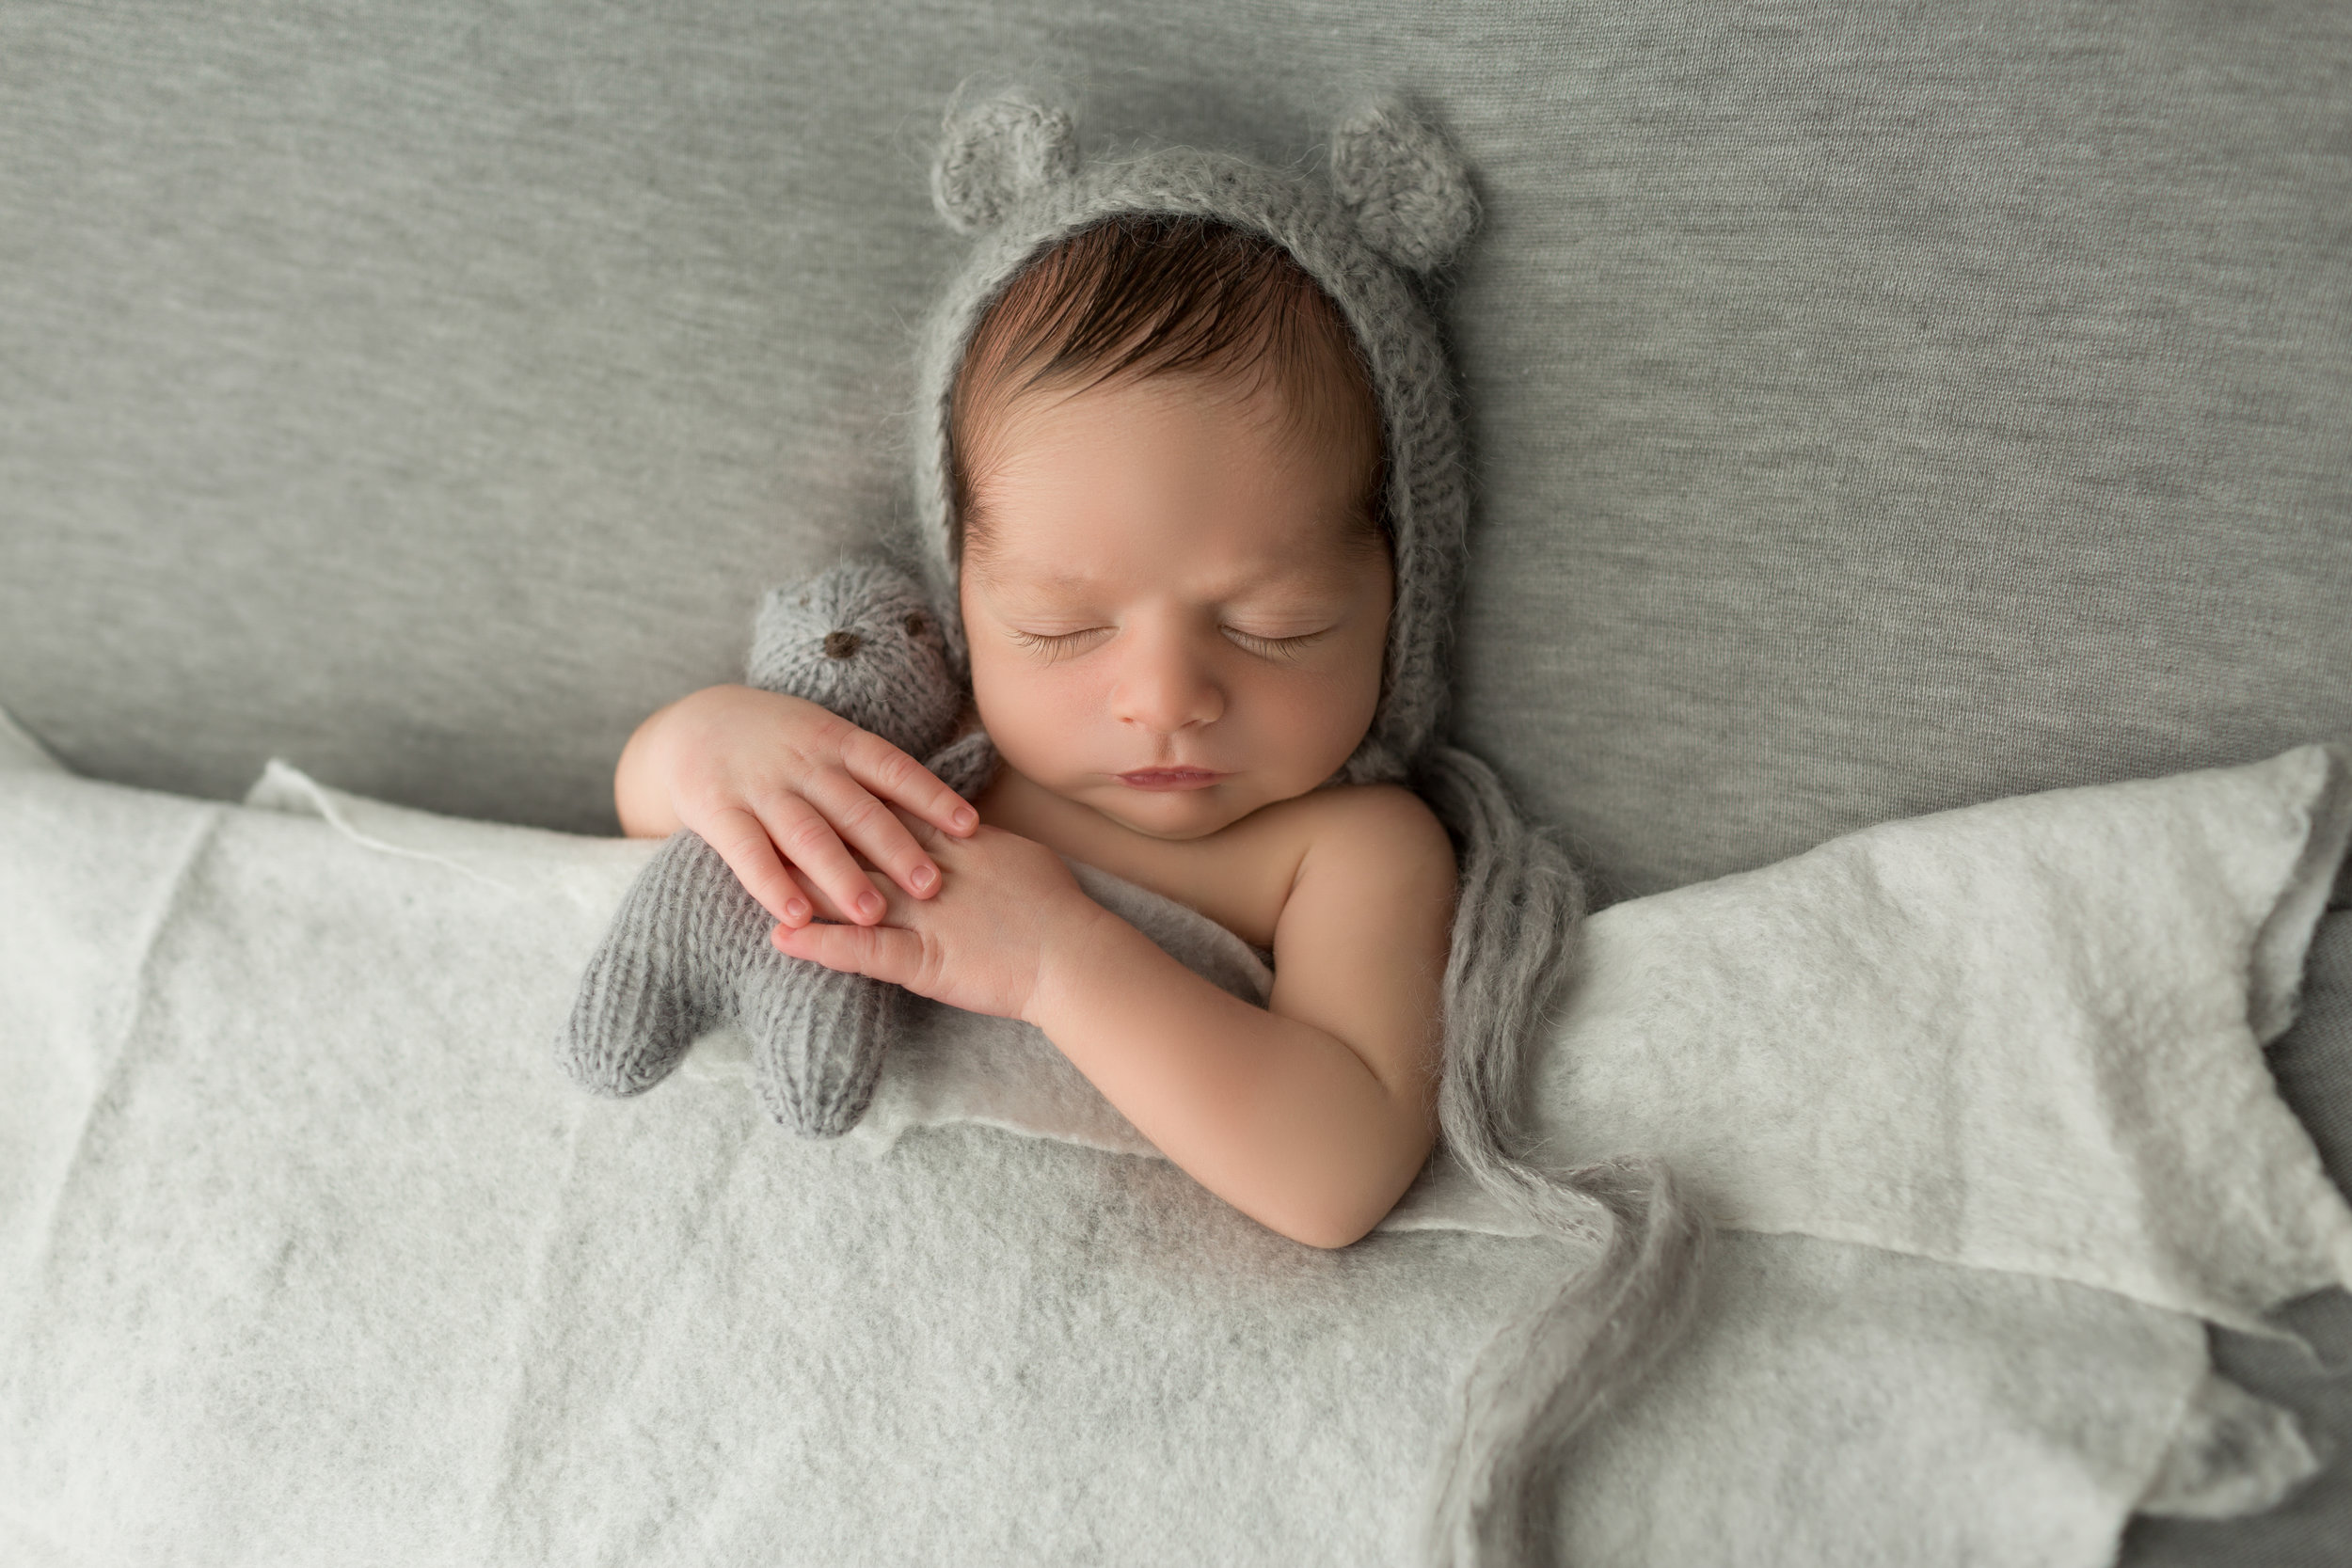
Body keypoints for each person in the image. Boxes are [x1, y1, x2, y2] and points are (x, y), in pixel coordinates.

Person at [612, 215, 1453, 1251]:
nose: (1163, 698)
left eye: (1271, 627)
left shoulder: (1350, 849)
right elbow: (651, 816)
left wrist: (1060, 960)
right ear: (966, 602)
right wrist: (708, 741)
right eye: (1061, 629)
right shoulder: (929, 747)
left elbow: (1339, 1170)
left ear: (1399, 601)